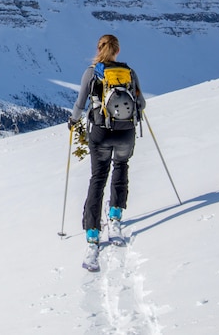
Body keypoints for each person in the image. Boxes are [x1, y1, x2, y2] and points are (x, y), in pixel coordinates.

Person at [68, 34, 145, 270]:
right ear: (117, 51)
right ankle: (115, 217)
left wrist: (73, 120)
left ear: (98, 48)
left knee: (98, 178)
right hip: (126, 132)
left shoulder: (92, 72)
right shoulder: (128, 72)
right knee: (121, 168)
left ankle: (92, 233)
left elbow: (81, 102)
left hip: (100, 132)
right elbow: (140, 103)